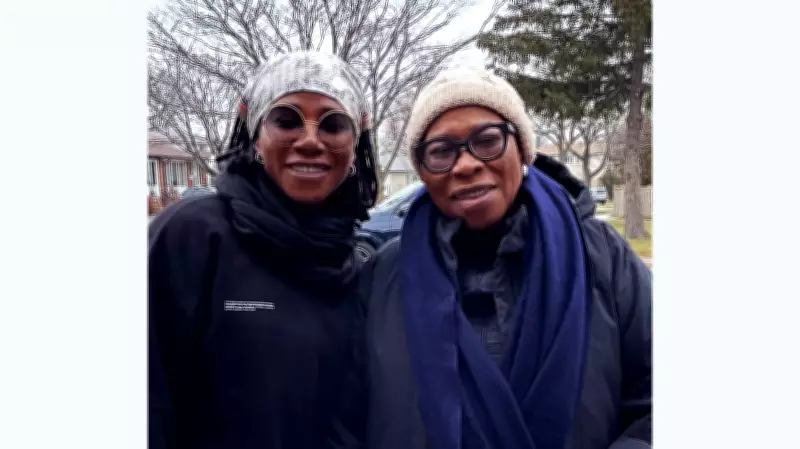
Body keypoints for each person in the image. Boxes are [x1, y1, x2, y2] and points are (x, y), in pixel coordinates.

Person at [359, 68, 652, 449]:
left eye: (487, 141)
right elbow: (349, 414)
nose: (466, 165)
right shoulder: (383, 276)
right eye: (441, 151)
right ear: (423, 171)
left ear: (523, 149)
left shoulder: (603, 258)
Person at [148, 52, 377, 449]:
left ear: (355, 146)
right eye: (286, 120)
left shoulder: (358, 262)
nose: (310, 141)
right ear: (256, 136)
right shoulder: (194, 235)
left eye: (333, 124)